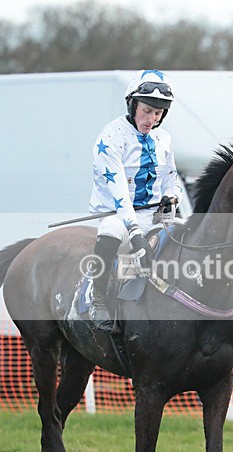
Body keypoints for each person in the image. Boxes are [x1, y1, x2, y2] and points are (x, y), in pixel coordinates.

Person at [87, 69, 181, 332]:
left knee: (188, 234)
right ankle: (97, 298)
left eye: (158, 113)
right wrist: (137, 234)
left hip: (152, 215)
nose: (152, 119)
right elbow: (120, 197)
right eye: (147, 110)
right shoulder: (110, 137)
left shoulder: (164, 138)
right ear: (132, 104)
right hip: (115, 214)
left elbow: (172, 179)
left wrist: (171, 197)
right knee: (112, 231)